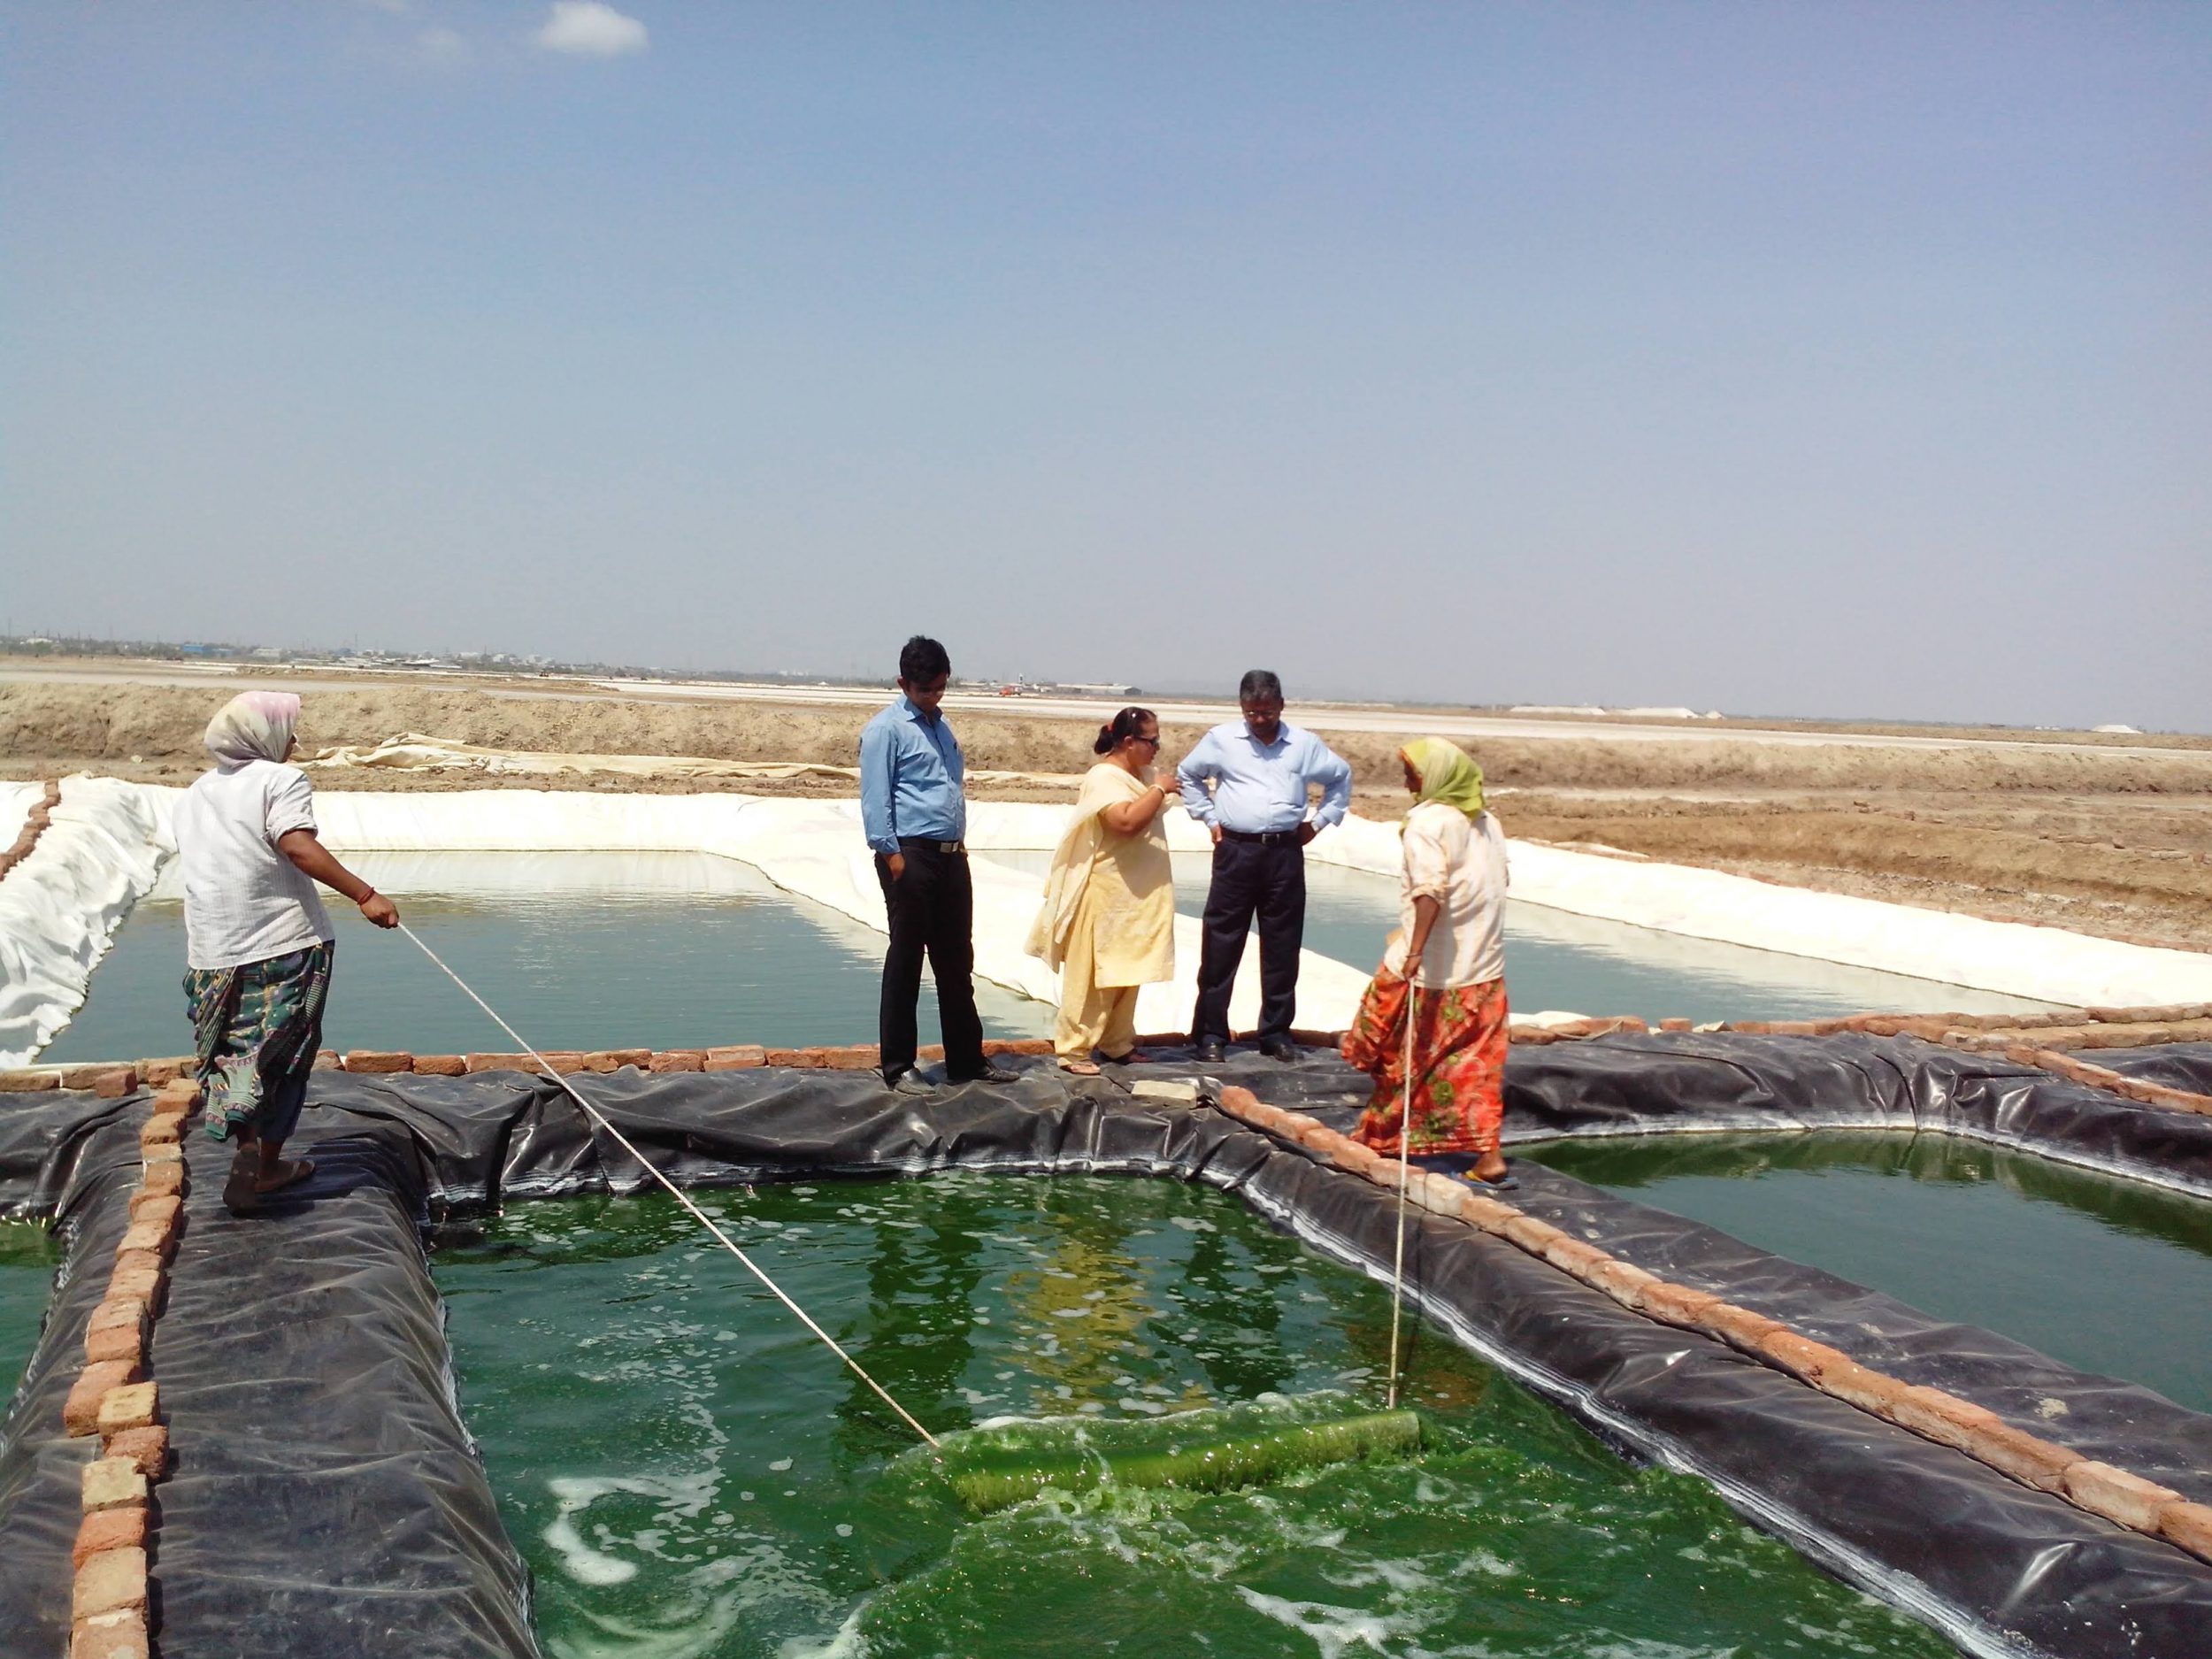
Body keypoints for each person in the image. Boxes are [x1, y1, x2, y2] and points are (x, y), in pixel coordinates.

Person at [172, 691, 399, 1213]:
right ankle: (267, 1167)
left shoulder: (193, 794)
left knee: (236, 1051)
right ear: (263, 738)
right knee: (284, 1052)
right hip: (282, 943)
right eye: (289, 731)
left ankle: (248, 1151)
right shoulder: (281, 781)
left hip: (212, 951)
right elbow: (294, 843)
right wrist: (365, 894)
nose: (295, 742)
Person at [1343, 738, 1515, 1187]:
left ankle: (1382, 1140)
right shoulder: (1487, 821)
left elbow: (1429, 890)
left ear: (1436, 776)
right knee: (1474, 1065)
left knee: (1396, 1054)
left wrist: (1415, 950)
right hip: (1484, 968)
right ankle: (1488, 1156)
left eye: (1413, 772)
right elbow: (1499, 882)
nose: (1406, 781)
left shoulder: (1427, 822)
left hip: (1435, 971)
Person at [860, 635, 1018, 1094]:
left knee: (956, 961)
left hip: (951, 856)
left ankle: (966, 1060)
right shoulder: (886, 730)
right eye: (925, 689)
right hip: (909, 854)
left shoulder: (941, 728)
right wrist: (892, 855)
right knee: (907, 959)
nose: (933, 697)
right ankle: (897, 1064)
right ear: (903, 683)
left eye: (940, 688)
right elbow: (875, 798)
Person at [1176, 670, 1352, 1063]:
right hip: (1236, 851)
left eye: (1267, 712)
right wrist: (1206, 817)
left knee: (1283, 946)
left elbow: (1341, 778)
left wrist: (1320, 822)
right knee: (1221, 944)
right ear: (1242, 708)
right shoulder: (1221, 740)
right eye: (1252, 712)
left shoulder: (1304, 745)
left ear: (1281, 706)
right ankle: (1210, 1034)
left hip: (1285, 853)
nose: (1259, 720)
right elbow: (1187, 774)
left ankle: (1275, 1032)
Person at [1025, 707, 1180, 1074]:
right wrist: (1159, 788)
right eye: (1151, 740)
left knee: (1129, 971)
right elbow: (1123, 821)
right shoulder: (1104, 778)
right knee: (1093, 977)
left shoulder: (1140, 775)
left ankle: (1116, 1043)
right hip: (1106, 893)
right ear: (1129, 742)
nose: (1157, 747)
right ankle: (1074, 1050)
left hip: (1137, 894)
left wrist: (1157, 786)